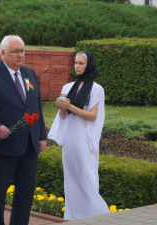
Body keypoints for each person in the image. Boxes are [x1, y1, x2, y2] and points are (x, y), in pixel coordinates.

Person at [0, 35, 46, 225]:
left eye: (22, 51)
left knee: (25, 195)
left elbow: (36, 106)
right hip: (3, 148)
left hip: (29, 147)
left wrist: (41, 135)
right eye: (15, 51)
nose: (20, 55)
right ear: (3, 54)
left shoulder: (29, 73)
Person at [47, 51, 110, 220]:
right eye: (76, 63)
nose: (77, 66)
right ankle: (73, 214)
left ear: (89, 65)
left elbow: (93, 116)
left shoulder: (97, 89)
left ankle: (98, 214)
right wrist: (61, 107)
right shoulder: (67, 88)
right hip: (70, 136)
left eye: (81, 63)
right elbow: (63, 116)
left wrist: (70, 106)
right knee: (71, 175)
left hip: (84, 137)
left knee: (86, 174)